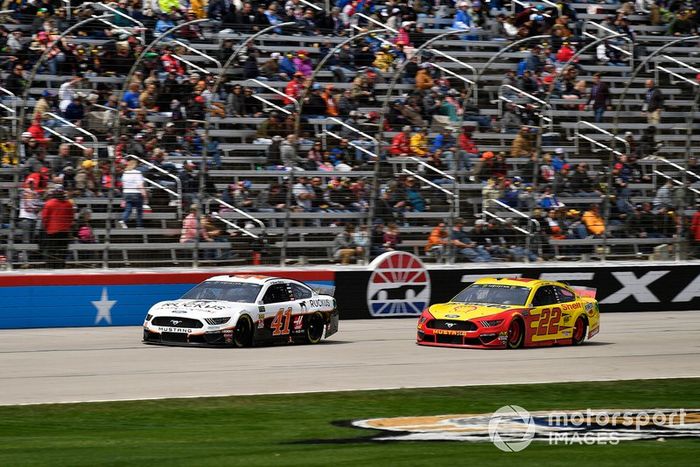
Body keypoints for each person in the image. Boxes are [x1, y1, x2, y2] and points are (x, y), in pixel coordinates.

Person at [41, 186, 75, 269]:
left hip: (52, 231)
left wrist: (45, 227)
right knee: (62, 250)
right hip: (64, 231)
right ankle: (61, 266)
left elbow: (44, 217)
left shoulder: (49, 203)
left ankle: (50, 266)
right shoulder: (69, 204)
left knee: (51, 250)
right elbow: (71, 217)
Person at [119, 159, 147, 229]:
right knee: (139, 210)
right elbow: (139, 185)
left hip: (126, 193)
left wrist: (123, 198)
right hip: (136, 193)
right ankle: (139, 225)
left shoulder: (125, 173)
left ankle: (123, 219)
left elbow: (123, 185)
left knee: (128, 209)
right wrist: (144, 193)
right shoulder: (137, 172)